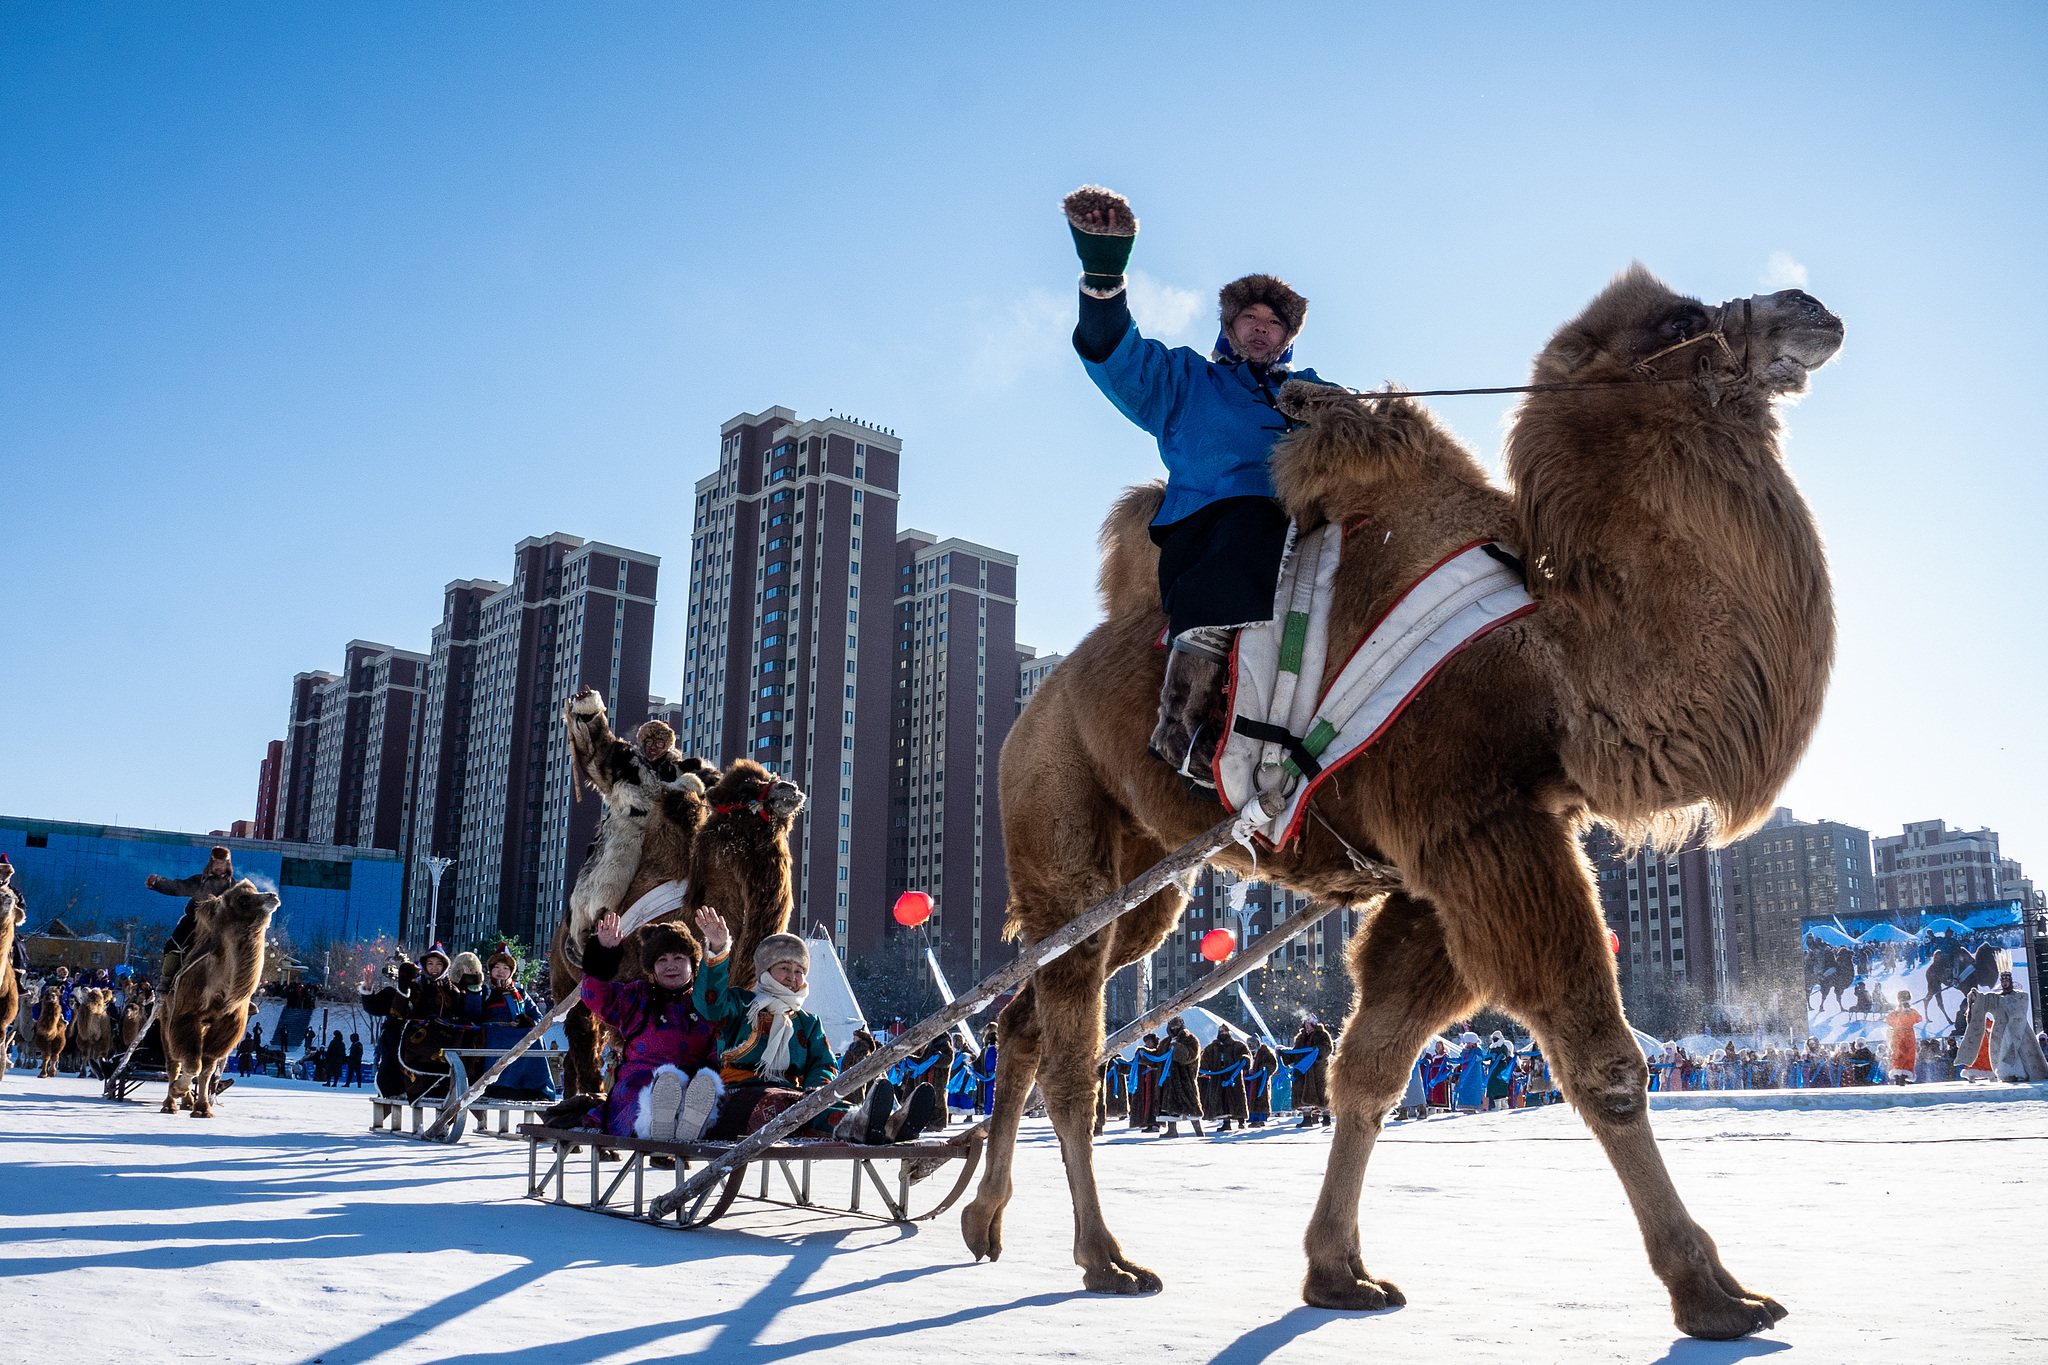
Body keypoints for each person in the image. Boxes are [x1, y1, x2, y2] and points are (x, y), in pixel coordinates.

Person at [1063, 184, 1339, 789]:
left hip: (1302, 525)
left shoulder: (1311, 390)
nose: (1262, 330)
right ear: (1231, 327)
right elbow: (1118, 357)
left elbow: (1365, 438)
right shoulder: (1188, 379)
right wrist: (1104, 275)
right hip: (1213, 526)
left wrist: (1343, 412)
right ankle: (1183, 726)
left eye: (1275, 323)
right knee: (1248, 518)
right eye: (1250, 318)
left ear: (1289, 337)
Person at [695, 908, 935, 1144]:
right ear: (766, 971)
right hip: (740, 1095)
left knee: (816, 1105)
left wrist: (817, 1093)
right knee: (786, 1105)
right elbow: (709, 1003)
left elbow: (824, 1064)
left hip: (793, 1095)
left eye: (799, 971)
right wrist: (717, 950)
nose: (792, 976)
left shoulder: (807, 1022)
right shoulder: (742, 1005)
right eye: (784, 968)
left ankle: (888, 1126)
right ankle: (860, 1126)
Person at [572, 911, 723, 1142]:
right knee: (645, 1098)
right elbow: (595, 996)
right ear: (652, 969)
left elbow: (719, 1043)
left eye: (678, 958)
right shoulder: (638, 996)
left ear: (693, 965)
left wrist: (708, 1073)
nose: (670, 966)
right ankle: (656, 1124)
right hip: (641, 1080)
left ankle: (686, 1123)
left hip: (692, 1082)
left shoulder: (705, 1003)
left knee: (701, 1093)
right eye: (661, 960)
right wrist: (603, 953)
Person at [144, 847, 236, 991]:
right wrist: (158, 882)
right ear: (210, 863)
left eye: (222, 862)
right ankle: (166, 980)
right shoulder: (199, 881)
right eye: (215, 862)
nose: (218, 866)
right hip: (194, 923)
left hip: (221, 928)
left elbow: (246, 901)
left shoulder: (235, 887)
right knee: (173, 946)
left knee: (240, 951)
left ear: (228, 864)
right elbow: (178, 886)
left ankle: (240, 992)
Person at [1153, 1017, 1204, 1138]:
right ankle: (1172, 1131)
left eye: (1176, 1027)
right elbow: (1158, 1057)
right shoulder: (1165, 1042)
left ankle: (1199, 1131)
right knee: (1169, 1106)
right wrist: (1144, 1053)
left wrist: (1176, 1047)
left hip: (1185, 1079)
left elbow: (1191, 1056)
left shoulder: (1191, 1039)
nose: (1174, 1029)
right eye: (1172, 1027)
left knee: (1191, 1105)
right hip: (1168, 1080)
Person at [1198, 1023, 1251, 1134]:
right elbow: (1204, 1061)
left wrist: (1245, 1059)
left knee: (1237, 1098)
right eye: (1221, 1032)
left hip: (1233, 1077)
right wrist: (1198, 1068)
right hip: (1218, 1077)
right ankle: (1226, 1123)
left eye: (1225, 1032)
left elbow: (1246, 1055)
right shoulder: (1212, 1047)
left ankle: (1241, 1121)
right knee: (1221, 1100)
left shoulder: (1237, 1045)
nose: (1223, 1034)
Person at [1287, 1016, 1333, 1127]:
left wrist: (1317, 1050)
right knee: (1303, 1092)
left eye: (1309, 1024)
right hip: (1303, 1070)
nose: (1307, 1026)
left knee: (1321, 1093)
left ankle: (1326, 1117)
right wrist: (1284, 1054)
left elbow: (1327, 1049)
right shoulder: (1301, 1037)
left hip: (1317, 1070)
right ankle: (1307, 1118)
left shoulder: (1322, 1035)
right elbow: (1296, 1052)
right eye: (1305, 1024)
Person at [1246, 1034, 1276, 1127]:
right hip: (1250, 1080)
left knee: (1260, 1099)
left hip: (1260, 1081)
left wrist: (1265, 1070)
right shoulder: (1248, 1053)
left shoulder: (1265, 1052)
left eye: (1253, 1043)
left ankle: (1258, 1119)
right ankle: (1254, 1118)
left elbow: (1273, 1064)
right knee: (1250, 1098)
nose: (1251, 1045)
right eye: (1250, 1043)